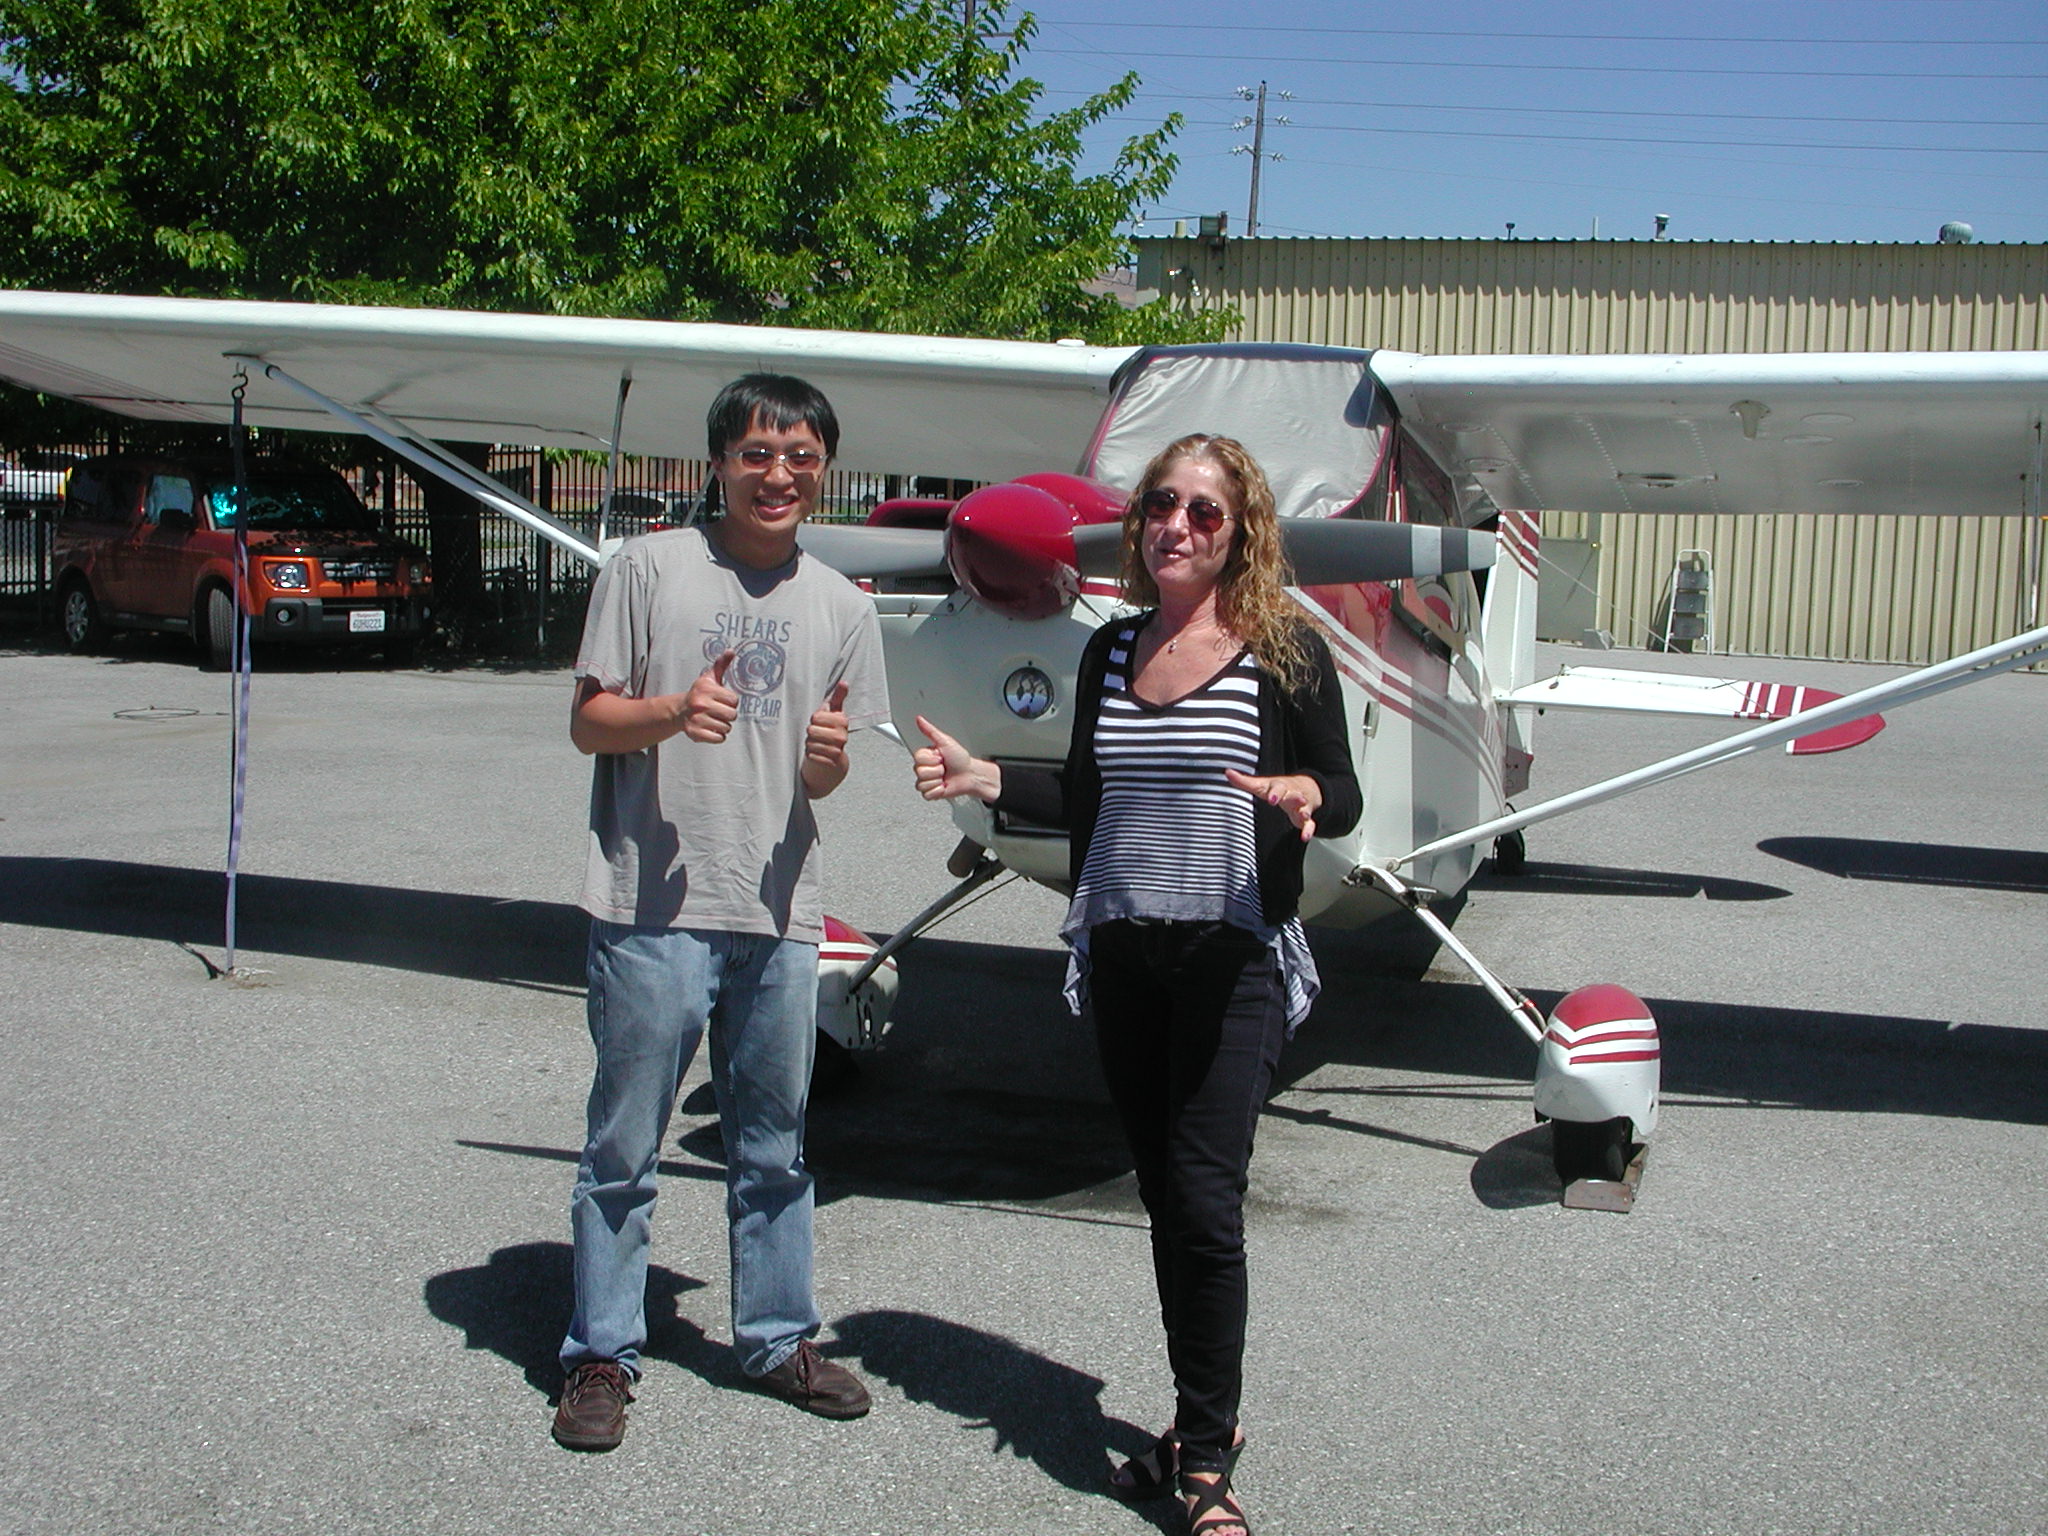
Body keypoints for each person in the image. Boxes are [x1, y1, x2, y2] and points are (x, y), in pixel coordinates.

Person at [913, 435, 1362, 1536]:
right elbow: (1085, 790)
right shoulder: (1109, 652)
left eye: (1204, 512)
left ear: (1239, 531)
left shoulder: (1284, 650)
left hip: (1231, 956)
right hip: (1120, 953)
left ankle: (1204, 1460)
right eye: (1161, 504)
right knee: (1166, 1198)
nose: (1176, 525)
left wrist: (1305, 788)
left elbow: (1339, 792)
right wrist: (985, 776)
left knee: (1204, 1203)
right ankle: (1194, 1420)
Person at [551, 374, 890, 1451]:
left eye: (800, 456)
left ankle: (776, 1335)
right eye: (756, 453)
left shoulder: (842, 605)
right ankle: (600, 1351)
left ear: (823, 468)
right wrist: (667, 709)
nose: (778, 473)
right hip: (651, 906)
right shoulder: (647, 569)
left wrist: (829, 764)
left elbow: (821, 775)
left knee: (773, 1146)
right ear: (718, 462)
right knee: (624, 1144)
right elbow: (590, 722)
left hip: (778, 909)